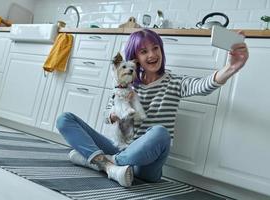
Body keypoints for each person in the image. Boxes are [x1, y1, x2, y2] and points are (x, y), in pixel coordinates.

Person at [56, 29, 249, 187]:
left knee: (160, 133)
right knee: (65, 119)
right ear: (135, 58)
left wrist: (231, 68)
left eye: (155, 48)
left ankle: (99, 161)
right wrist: (114, 115)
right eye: (143, 51)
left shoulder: (174, 81)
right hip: (120, 147)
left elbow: (203, 85)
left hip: (146, 166)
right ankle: (110, 167)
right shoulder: (126, 84)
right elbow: (107, 116)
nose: (152, 54)